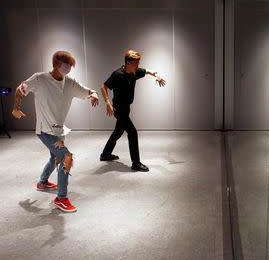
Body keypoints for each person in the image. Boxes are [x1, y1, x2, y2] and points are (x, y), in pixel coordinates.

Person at [12, 51, 99, 213]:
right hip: (45, 130)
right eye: (66, 65)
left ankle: (42, 183)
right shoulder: (40, 79)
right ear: (56, 63)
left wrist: (93, 95)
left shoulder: (70, 83)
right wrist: (16, 109)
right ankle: (61, 198)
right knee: (66, 157)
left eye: (70, 66)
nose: (68, 68)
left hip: (58, 130)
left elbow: (87, 91)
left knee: (55, 157)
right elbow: (20, 90)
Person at [100, 50, 166, 172]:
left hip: (126, 108)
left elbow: (147, 71)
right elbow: (103, 87)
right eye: (136, 63)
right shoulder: (117, 74)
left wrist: (157, 75)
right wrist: (108, 103)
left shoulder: (135, 72)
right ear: (128, 62)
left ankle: (105, 154)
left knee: (118, 132)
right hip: (118, 109)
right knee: (132, 132)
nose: (138, 65)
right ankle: (136, 163)